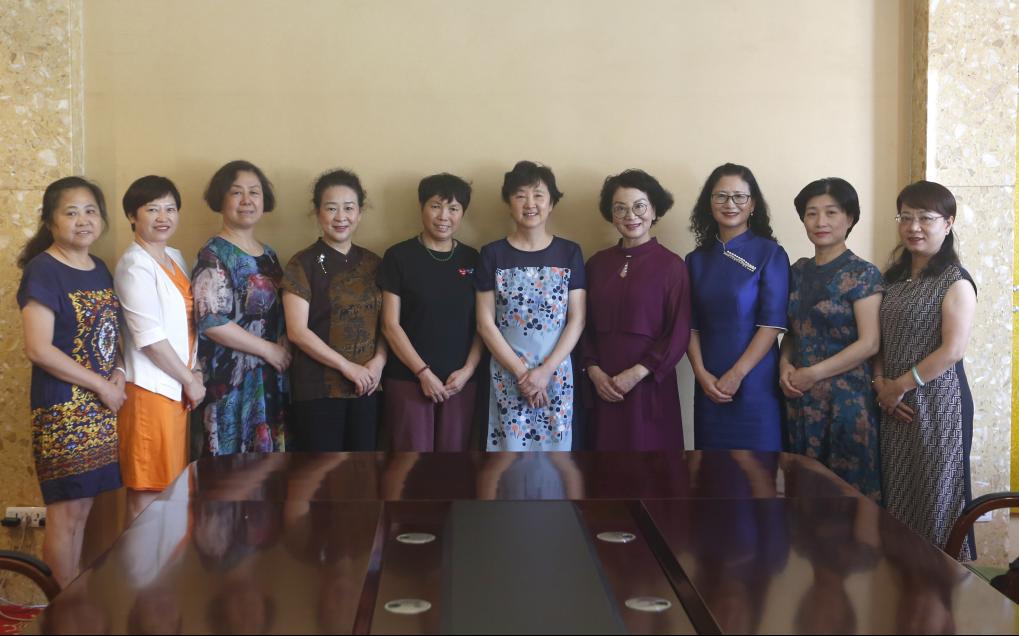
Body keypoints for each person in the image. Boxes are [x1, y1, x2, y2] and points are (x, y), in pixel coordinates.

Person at [17, 177, 124, 587]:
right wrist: (101, 385)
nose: (83, 220)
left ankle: (72, 599)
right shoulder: (43, 271)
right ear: (50, 222)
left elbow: (110, 334)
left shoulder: (99, 268)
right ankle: (59, 609)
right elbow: (38, 348)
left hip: (100, 407)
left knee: (83, 512)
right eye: (71, 212)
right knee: (65, 514)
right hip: (63, 409)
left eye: (90, 211)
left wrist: (119, 373)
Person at [874, 180, 977, 560]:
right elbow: (879, 340)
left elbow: (952, 351)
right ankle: (903, 580)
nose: (913, 227)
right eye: (906, 217)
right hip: (892, 404)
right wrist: (881, 384)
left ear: (948, 223)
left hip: (939, 404)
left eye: (925, 218)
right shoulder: (892, 279)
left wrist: (899, 385)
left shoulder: (955, 281)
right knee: (898, 496)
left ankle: (943, 582)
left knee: (937, 495)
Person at [780, 178, 883, 501]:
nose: (820, 222)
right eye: (811, 213)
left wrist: (813, 373)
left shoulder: (863, 273)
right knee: (802, 498)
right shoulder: (796, 271)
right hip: (800, 401)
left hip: (846, 403)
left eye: (831, 212)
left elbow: (869, 343)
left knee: (847, 502)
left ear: (850, 218)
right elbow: (793, 332)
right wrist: (784, 365)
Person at [475, 160, 586, 451]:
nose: (530, 204)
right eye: (520, 195)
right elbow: (485, 324)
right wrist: (523, 376)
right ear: (508, 203)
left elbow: (577, 320)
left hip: (556, 372)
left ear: (552, 204)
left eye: (538, 195)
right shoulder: (492, 254)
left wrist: (545, 371)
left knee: (557, 456)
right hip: (508, 373)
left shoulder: (569, 252)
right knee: (508, 455)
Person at [115, 175, 204, 524]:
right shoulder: (134, 265)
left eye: (170, 208)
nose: (163, 217)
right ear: (132, 216)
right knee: (148, 495)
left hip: (177, 389)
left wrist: (194, 372)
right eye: (152, 209)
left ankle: (165, 559)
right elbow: (149, 338)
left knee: (172, 491)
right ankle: (139, 561)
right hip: (151, 391)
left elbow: (187, 327)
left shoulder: (175, 257)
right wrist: (190, 379)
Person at [581, 169, 691, 451]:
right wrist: (593, 371)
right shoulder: (596, 264)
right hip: (602, 385)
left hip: (650, 384)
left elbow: (678, 332)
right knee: (603, 465)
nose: (631, 216)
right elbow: (581, 324)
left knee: (651, 465)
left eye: (639, 206)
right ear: (611, 214)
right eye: (620, 208)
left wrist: (638, 373)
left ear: (654, 210)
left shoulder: (672, 266)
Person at [685, 163, 789, 451]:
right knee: (710, 469)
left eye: (739, 196)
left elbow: (772, 324)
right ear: (709, 203)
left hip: (756, 382)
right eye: (721, 196)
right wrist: (701, 374)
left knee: (760, 470)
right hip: (708, 382)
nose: (730, 204)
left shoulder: (771, 253)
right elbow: (689, 325)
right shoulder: (695, 260)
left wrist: (737, 374)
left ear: (753, 204)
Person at [283, 169, 386, 451]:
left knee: (364, 470)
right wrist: (347, 367)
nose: (341, 217)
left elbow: (386, 324)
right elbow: (297, 331)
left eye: (349, 208)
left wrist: (378, 362)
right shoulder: (303, 263)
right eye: (331, 208)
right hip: (318, 389)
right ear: (318, 213)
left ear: (360, 213)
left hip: (368, 385)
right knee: (322, 471)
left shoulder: (374, 264)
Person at [191, 160, 289, 456]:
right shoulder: (213, 253)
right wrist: (268, 349)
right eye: (236, 192)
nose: (247, 200)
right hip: (231, 380)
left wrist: (281, 346)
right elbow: (211, 320)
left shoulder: (269, 254)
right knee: (233, 469)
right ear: (221, 200)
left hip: (269, 375)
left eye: (254, 192)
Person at [378, 173, 481, 451]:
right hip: (408, 379)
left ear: (463, 213)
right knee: (410, 463)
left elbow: (482, 324)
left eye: (453, 208)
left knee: (453, 464)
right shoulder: (398, 256)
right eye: (436, 206)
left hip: (460, 382)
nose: (443, 216)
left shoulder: (473, 258)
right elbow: (390, 325)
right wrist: (423, 373)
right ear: (421, 207)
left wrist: (469, 370)